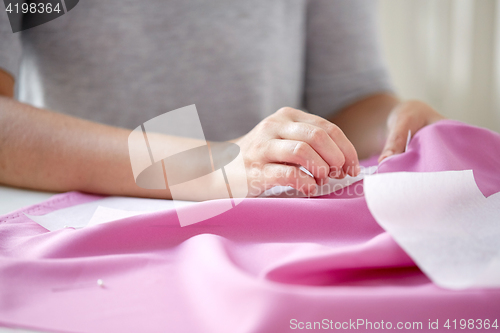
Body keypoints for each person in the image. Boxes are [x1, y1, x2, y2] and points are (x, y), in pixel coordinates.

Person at [0, 0, 444, 200]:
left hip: (261, 223)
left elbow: (350, 98)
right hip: (75, 227)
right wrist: (210, 167)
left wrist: (395, 126)